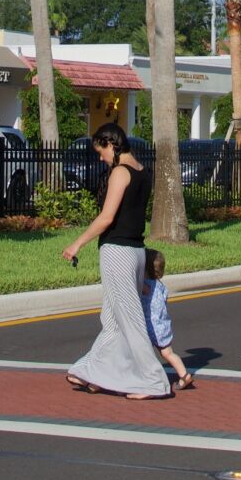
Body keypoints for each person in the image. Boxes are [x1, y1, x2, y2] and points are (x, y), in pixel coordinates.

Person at [61, 122, 171, 399]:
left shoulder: (120, 172)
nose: (101, 158)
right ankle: (92, 372)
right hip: (135, 251)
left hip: (117, 252)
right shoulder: (143, 171)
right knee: (112, 319)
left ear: (111, 144)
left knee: (129, 319)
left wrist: (77, 243)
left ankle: (154, 381)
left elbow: (106, 218)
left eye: (101, 152)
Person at [141, 248, 195, 390]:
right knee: (168, 353)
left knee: (144, 353)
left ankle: (149, 378)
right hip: (163, 326)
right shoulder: (161, 287)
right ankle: (184, 375)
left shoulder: (146, 286)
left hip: (150, 327)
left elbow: (137, 286)